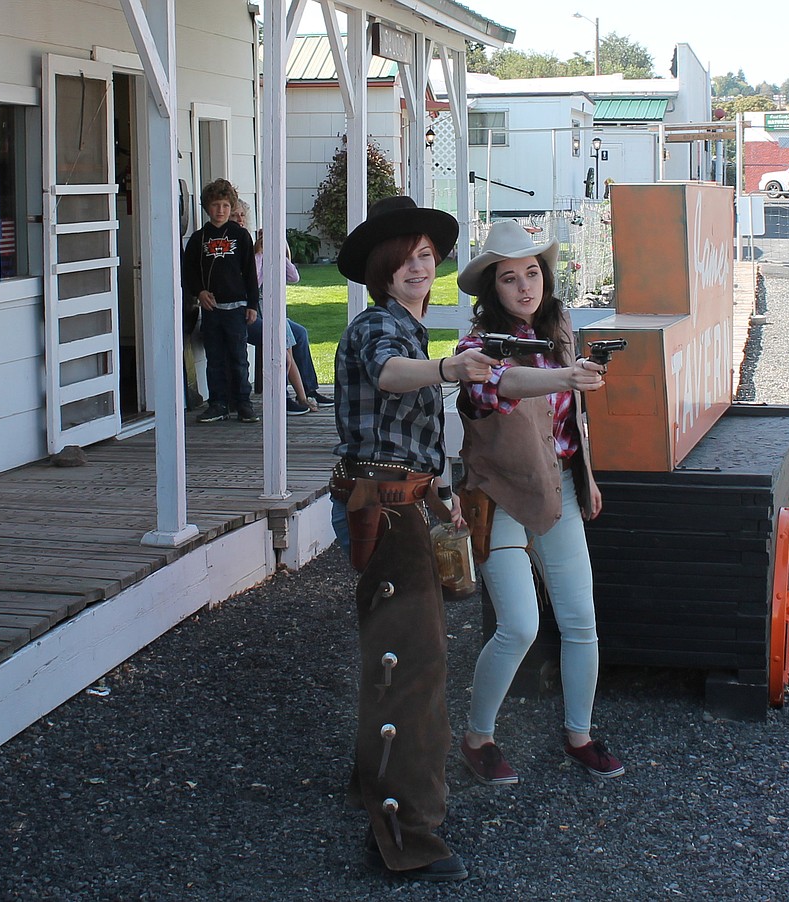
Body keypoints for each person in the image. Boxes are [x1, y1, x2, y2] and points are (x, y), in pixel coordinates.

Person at [328, 195, 497, 883]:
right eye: (403, 260)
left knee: (393, 655)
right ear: (380, 271)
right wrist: (451, 370)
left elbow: (413, 436)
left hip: (401, 502)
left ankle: (372, 780)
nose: (417, 268)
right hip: (384, 507)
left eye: (425, 256)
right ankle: (405, 836)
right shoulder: (379, 330)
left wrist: (444, 494)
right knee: (416, 668)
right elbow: (391, 376)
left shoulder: (411, 331)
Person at [453, 219, 625, 787]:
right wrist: (561, 378)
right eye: (509, 278)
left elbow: (574, 422)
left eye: (533, 273)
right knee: (520, 628)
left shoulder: (561, 332)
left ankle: (578, 734)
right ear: (491, 290)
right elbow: (497, 388)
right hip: (500, 495)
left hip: (559, 490)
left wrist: (589, 478)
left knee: (581, 622)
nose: (526, 287)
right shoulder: (478, 347)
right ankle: (478, 737)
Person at [232, 200, 332, 410]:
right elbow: (250, 285)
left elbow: (293, 277)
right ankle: (283, 395)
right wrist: (259, 255)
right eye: (234, 216)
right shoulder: (238, 248)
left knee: (300, 333)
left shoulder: (249, 242)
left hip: (265, 313)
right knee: (279, 339)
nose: (239, 220)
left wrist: (279, 249)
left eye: (242, 215)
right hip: (244, 314)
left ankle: (309, 390)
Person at [182, 179, 259, 423]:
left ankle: (243, 403)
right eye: (216, 205)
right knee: (215, 359)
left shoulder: (241, 236)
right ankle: (218, 403)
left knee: (238, 358)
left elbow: (250, 273)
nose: (221, 211)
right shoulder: (198, 239)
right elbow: (189, 271)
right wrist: (200, 292)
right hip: (211, 309)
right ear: (207, 207)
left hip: (236, 308)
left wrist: (252, 305)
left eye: (226, 205)